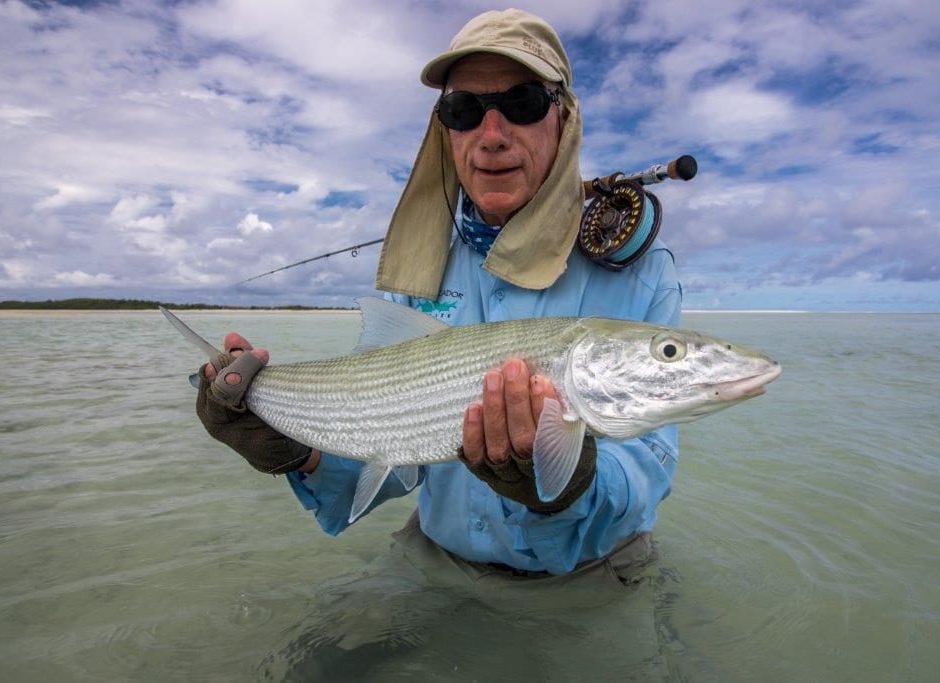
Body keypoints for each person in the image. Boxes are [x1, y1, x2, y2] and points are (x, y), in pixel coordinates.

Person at [196, 9, 682, 580]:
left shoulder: (643, 275)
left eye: (523, 103)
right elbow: (386, 451)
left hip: (593, 571)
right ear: (444, 130)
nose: (492, 136)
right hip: (438, 557)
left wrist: (564, 485)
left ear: (564, 118)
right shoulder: (419, 271)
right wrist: (299, 454)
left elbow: (650, 467)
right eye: (464, 111)